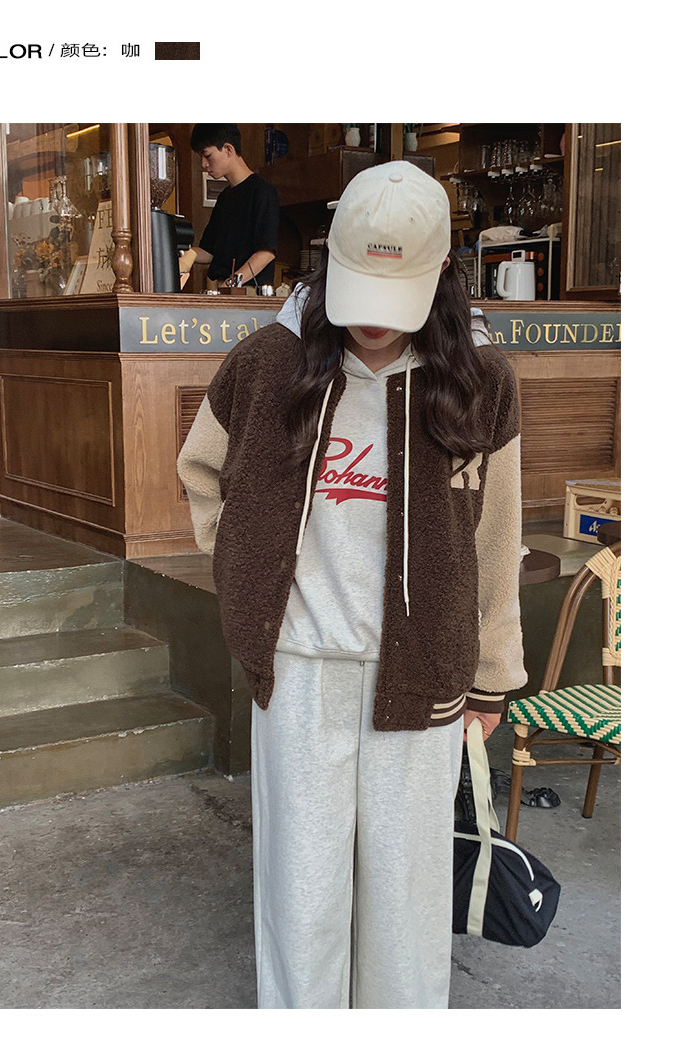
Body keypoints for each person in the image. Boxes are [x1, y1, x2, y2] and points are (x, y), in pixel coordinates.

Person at [177, 161, 527, 1009]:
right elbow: (202, 469)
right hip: (299, 671)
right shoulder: (268, 364)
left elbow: (495, 537)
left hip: (423, 674)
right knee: (302, 895)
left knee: (406, 903)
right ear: (330, 260)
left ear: (440, 275)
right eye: (358, 287)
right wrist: (246, 578)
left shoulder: (479, 384)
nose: (372, 319)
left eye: (395, 295)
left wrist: (492, 675)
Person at [179, 124, 280, 291]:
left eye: (207, 155)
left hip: (248, 292)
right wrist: (190, 255)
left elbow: (266, 253)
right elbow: (210, 251)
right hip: (223, 288)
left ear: (228, 149)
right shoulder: (225, 197)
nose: (203, 164)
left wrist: (231, 283)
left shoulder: (262, 191)